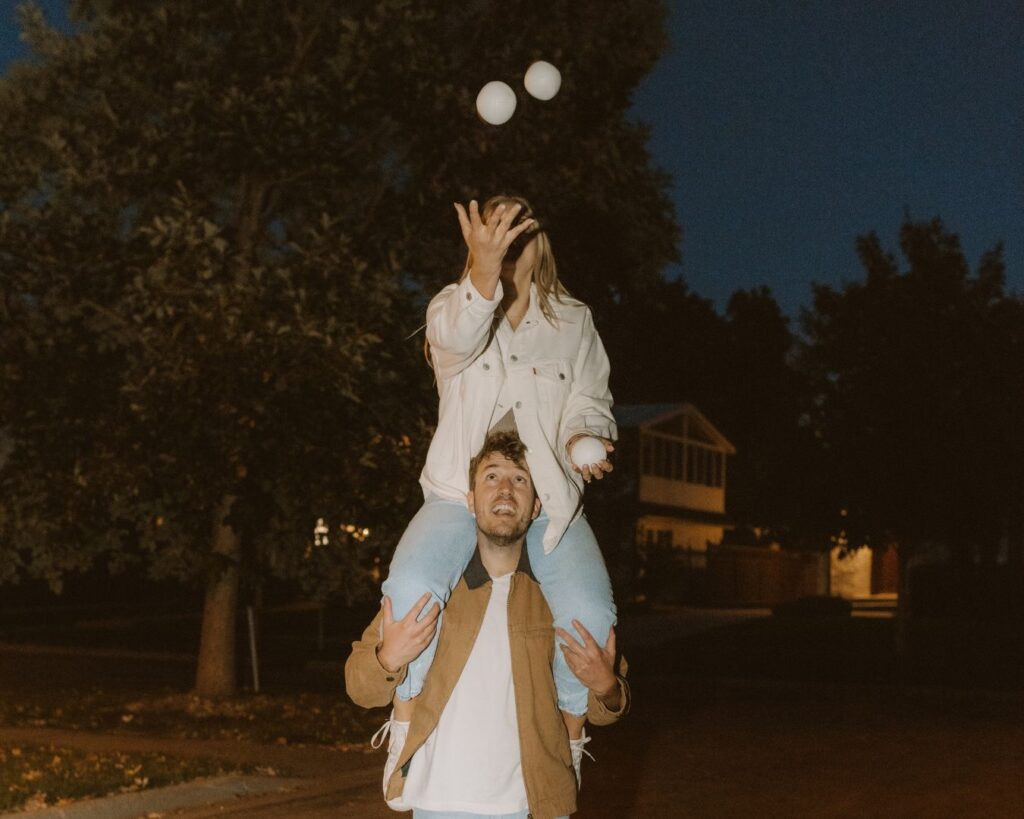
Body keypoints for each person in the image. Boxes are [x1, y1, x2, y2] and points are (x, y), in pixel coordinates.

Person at [376, 195, 619, 792]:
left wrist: (588, 434)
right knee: (408, 591)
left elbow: (591, 399)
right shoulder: (453, 306)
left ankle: (568, 741)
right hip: (460, 494)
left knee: (590, 617)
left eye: (522, 229)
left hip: (547, 497)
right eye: (498, 230)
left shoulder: (573, 320)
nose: (511, 239)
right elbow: (454, 340)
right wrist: (481, 272)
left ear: (541, 244)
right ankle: (404, 732)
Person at [346, 431, 629, 818]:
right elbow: (360, 690)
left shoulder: (555, 598)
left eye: (520, 479)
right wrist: (388, 657)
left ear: (536, 508)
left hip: (529, 805)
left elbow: (608, 708)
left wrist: (607, 686)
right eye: (491, 477)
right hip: (437, 802)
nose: (505, 491)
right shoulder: (433, 588)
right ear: (470, 500)